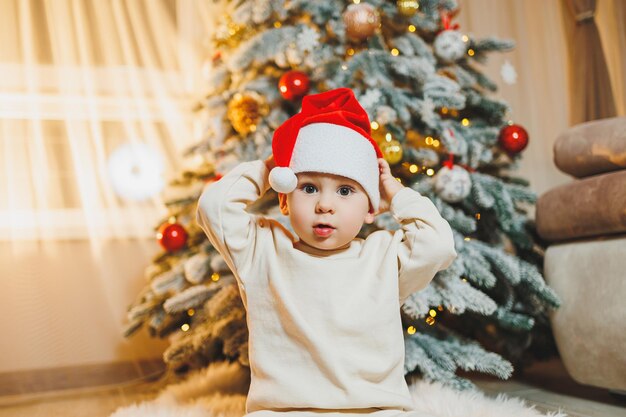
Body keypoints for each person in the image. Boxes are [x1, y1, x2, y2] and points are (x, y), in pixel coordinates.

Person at [196, 88, 457, 417]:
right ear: (283, 198)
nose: (324, 205)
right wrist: (271, 166)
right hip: (284, 410)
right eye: (308, 187)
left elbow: (438, 243)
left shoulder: (384, 257)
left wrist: (396, 192)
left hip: (374, 409)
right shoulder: (262, 250)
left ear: (371, 209)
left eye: (345, 190)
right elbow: (213, 205)